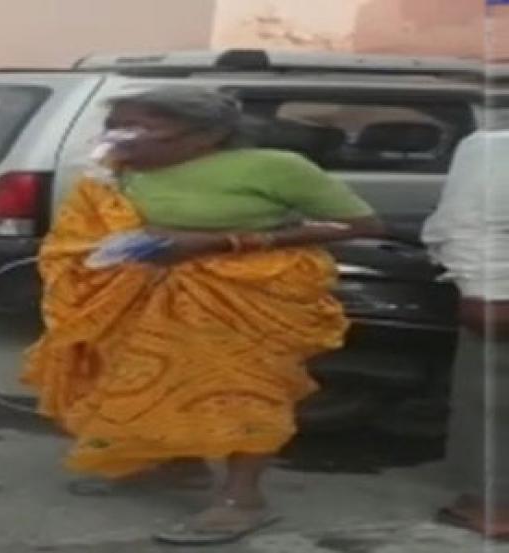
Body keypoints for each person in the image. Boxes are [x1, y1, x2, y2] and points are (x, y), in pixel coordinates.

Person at [23, 86, 384, 545]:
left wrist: (227, 242)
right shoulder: (116, 174)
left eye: (140, 127)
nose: (120, 137)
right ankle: (178, 465)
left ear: (206, 135)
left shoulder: (275, 167)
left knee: (239, 392)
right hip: (142, 295)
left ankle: (242, 500)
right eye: (115, 126)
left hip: (246, 297)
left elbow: (361, 225)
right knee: (153, 380)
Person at [423, 125, 509, 541]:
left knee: (493, 408)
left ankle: (506, 506)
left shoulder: (487, 152)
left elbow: (447, 233)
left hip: (498, 302)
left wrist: (472, 278)